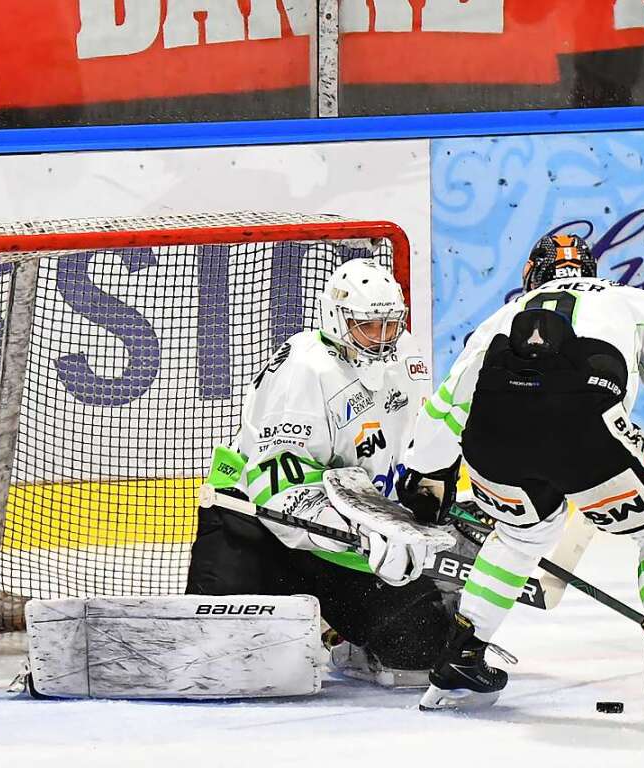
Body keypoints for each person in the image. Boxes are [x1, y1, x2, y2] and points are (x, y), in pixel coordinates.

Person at [396, 234, 644, 723]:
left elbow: (452, 402)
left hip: (494, 437)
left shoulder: (505, 315)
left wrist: (425, 472)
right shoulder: (637, 302)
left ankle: (461, 654)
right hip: (585, 431)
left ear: (532, 278)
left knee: (518, 535)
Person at [187, 257, 453, 683]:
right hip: (254, 523)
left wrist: (428, 501)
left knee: (422, 648)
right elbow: (277, 487)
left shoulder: (406, 360)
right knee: (221, 659)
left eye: (391, 325)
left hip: (348, 532)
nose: (383, 338)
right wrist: (364, 533)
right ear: (336, 318)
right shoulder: (305, 368)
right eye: (369, 326)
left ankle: (344, 635)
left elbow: (422, 442)